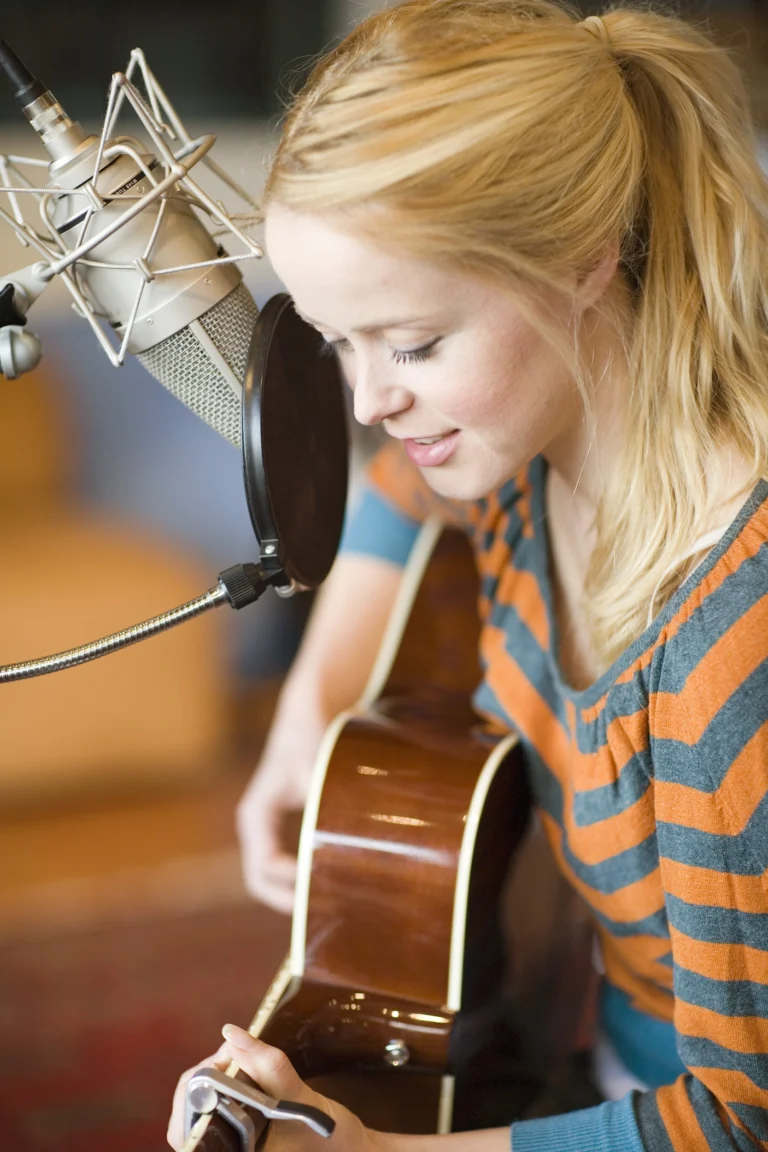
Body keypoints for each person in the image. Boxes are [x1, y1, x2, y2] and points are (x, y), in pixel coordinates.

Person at [168, 1, 768, 1148]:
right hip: (592, 1059)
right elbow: (400, 492)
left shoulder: (727, 660)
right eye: (339, 341)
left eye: (412, 343)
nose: (366, 402)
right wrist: (314, 705)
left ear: (584, 264)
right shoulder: (511, 448)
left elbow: (741, 1120)